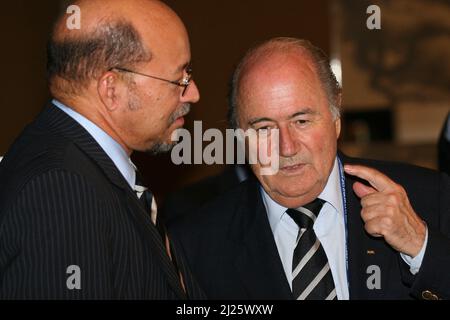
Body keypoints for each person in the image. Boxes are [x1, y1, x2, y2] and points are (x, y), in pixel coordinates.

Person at [170, 37, 450, 300]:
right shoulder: (197, 245)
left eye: (301, 121)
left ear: (335, 117)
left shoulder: (429, 199)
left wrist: (421, 247)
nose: (287, 148)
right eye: (264, 128)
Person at [0, 0, 203, 299]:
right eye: (180, 77)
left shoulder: (85, 166)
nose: (193, 92)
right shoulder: (62, 188)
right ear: (112, 89)